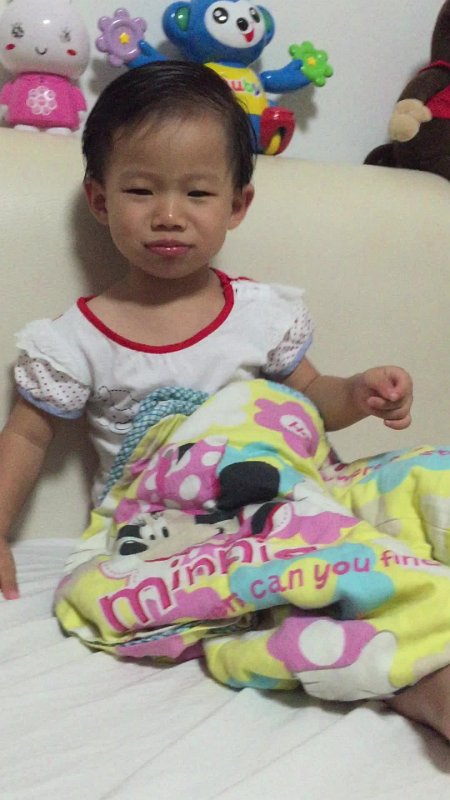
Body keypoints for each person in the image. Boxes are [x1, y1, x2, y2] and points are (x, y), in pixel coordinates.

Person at [2, 61, 445, 739]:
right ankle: (419, 666)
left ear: (237, 204)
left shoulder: (260, 313)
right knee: (298, 540)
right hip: (181, 527)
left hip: (293, 484)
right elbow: (27, 436)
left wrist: (357, 393)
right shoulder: (75, 340)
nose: (168, 215)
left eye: (198, 192)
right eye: (141, 190)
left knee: (429, 473)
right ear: (100, 199)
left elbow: (312, 400)